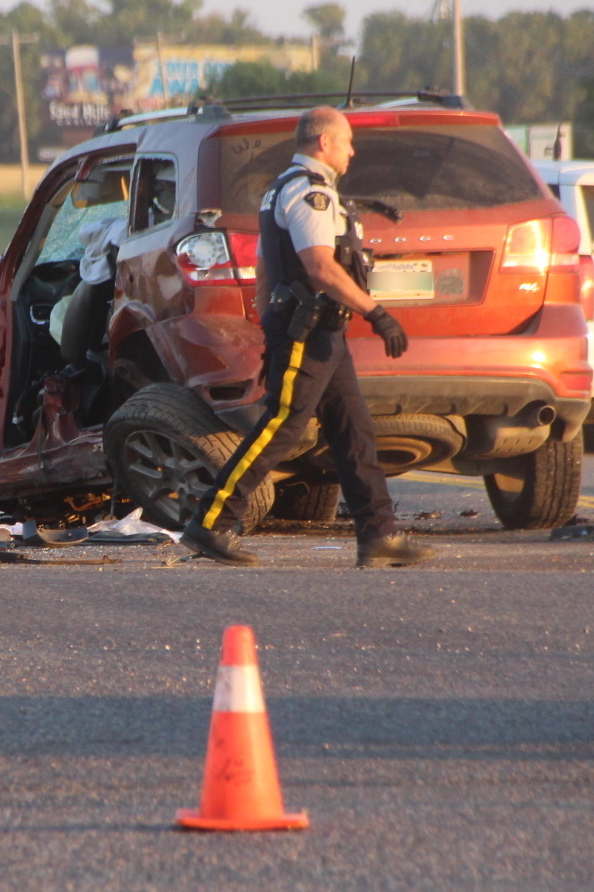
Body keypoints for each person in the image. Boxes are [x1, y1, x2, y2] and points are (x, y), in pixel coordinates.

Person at [182, 106, 433, 570]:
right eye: (347, 142)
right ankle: (211, 521)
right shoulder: (309, 192)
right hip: (308, 330)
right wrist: (376, 313)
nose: (352, 152)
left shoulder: (288, 188)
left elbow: (264, 269)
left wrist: (269, 322)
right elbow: (320, 267)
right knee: (282, 425)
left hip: (321, 332)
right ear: (324, 142)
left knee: (353, 431)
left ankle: (378, 536)